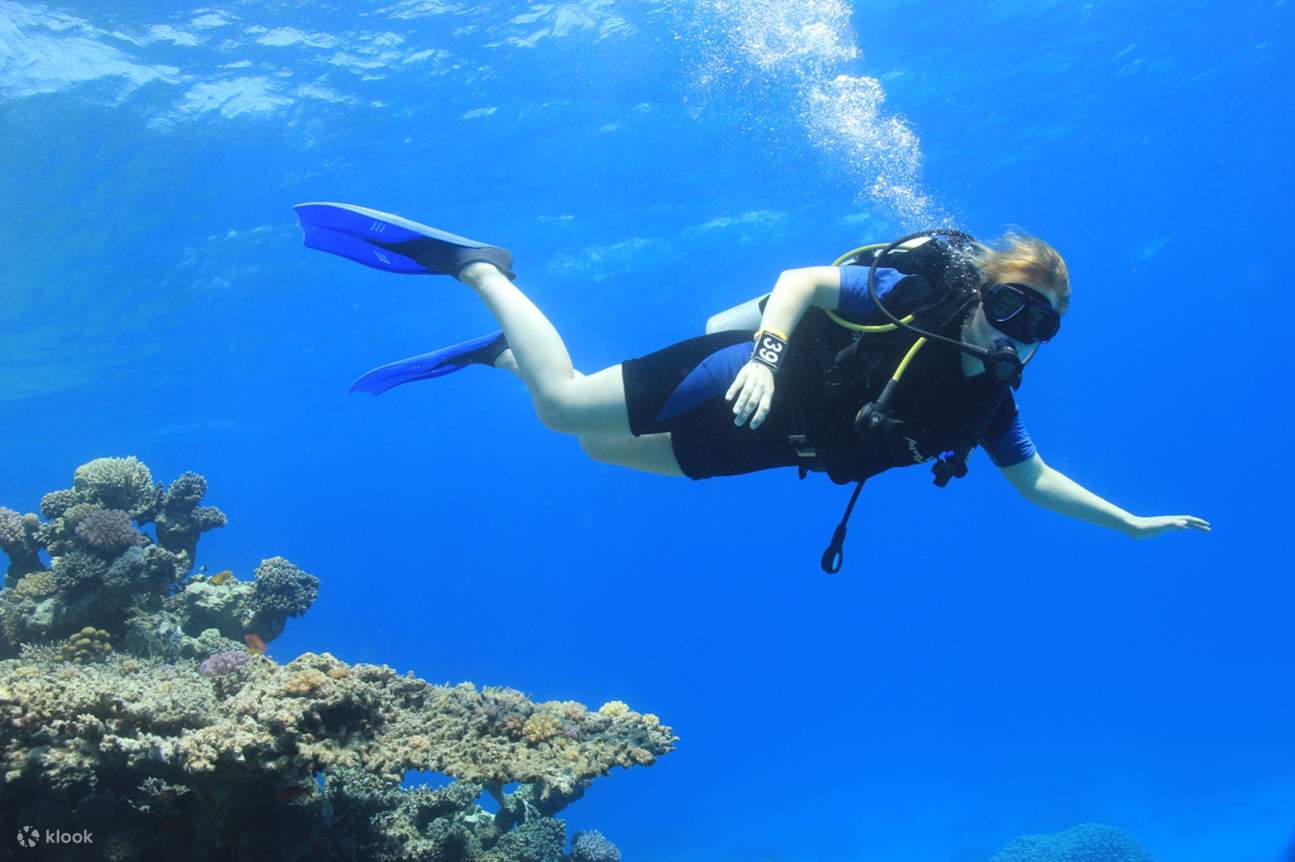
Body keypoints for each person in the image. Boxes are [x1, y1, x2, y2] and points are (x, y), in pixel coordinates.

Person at [294, 202, 1210, 569]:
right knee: (563, 406)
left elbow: (1034, 479)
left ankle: (501, 352)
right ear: (986, 287)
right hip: (758, 375)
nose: (1015, 332)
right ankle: (478, 266)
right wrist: (768, 355)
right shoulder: (908, 294)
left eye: (1039, 325)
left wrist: (1130, 521)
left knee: (594, 447)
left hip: (778, 448)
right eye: (1011, 305)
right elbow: (805, 280)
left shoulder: (988, 402)